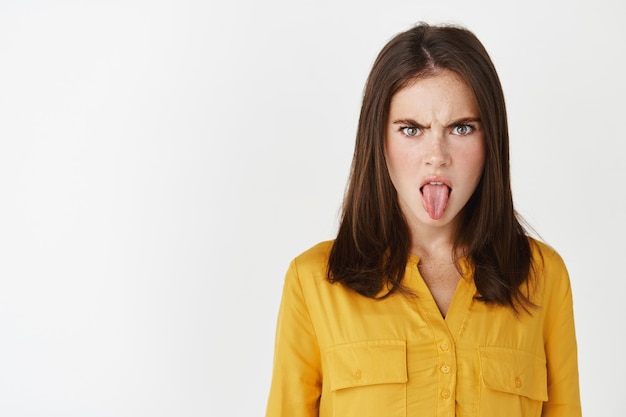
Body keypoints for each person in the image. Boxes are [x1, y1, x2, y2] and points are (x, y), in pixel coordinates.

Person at [265, 22, 581, 417]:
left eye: (461, 128)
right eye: (411, 129)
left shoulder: (542, 277)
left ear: (491, 141)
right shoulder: (313, 283)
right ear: (378, 139)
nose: (437, 155)